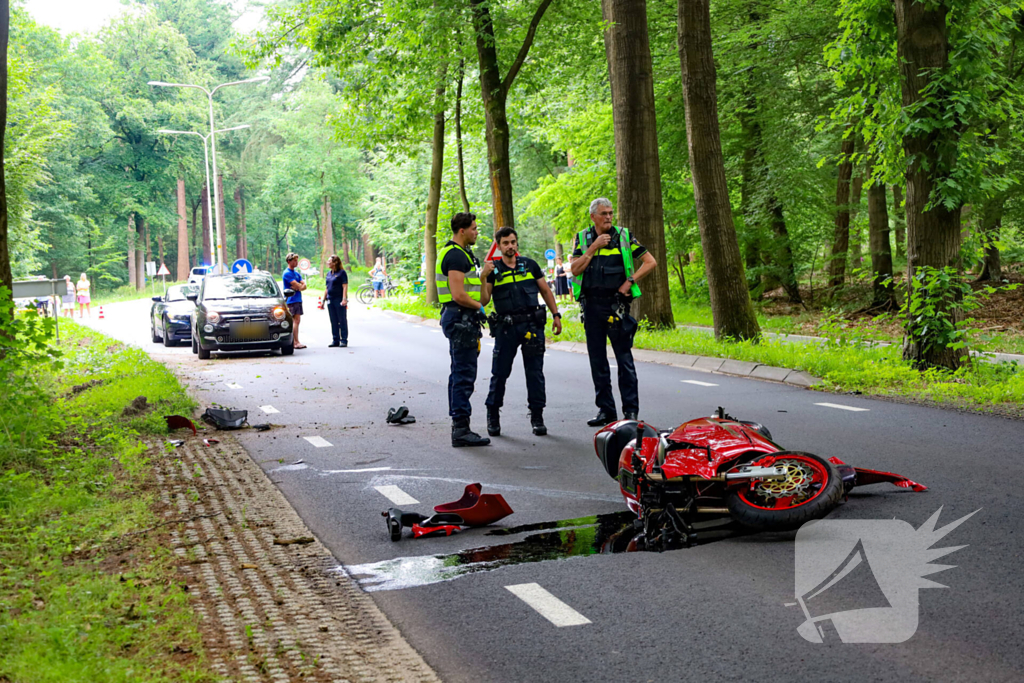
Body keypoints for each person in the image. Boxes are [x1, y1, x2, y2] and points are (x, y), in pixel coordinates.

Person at [571, 197, 657, 426]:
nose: (609, 217)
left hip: (616, 305)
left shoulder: (625, 236)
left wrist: (630, 280)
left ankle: (630, 412)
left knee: (624, 360)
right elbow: (575, 270)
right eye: (604, 214)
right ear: (593, 217)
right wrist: (593, 247)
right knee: (597, 361)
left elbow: (650, 262)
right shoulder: (582, 238)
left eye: (610, 213)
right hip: (592, 305)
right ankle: (606, 411)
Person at [483, 227, 562, 437]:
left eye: (513, 242)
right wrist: (483, 276)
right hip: (506, 329)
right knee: (499, 373)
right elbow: (483, 300)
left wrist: (556, 315)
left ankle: (537, 417)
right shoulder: (494, 270)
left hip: (531, 327)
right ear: (499, 246)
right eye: (506, 243)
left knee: (535, 374)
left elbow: (545, 290)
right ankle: (493, 414)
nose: (510, 246)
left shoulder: (530, 265)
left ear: (517, 243)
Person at [437, 212, 495, 447]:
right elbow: (459, 294)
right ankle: (461, 429)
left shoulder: (463, 254)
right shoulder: (455, 256)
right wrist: (479, 307)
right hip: (460, 318)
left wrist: (482, 278)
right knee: (464, 374)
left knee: (459, 372)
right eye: (473, 228)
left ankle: (459, 425)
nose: (476, 232)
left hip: (462, 318)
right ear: (462, 230)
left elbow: (476, 294)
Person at [282, 253, 308, 349]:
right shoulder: (287, 273)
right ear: (289, 261)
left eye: (297, 260)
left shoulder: (296, 273)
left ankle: (296, 341)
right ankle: (295, 342)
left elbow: (303, 286)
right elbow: (298, 286)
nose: (296, 262)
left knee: (297, 321)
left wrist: (301, 286)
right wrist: (300, 286)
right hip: (291, 300)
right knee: (294, 321)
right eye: (294, 260)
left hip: (297, 299)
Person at [322, 254, 349, 348]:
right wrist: (323, 299)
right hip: (330, 299)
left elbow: (345, 286)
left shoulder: (342, 273)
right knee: (333, 320)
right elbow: (327, 287)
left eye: (329, 261)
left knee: (342, 320)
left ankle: (344, 340)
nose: (328, 263)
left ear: (335, 263)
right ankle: (335, 339)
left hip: (339, 299)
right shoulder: (329, 274)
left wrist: (344, 298)